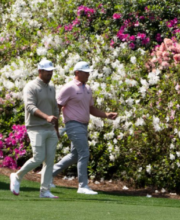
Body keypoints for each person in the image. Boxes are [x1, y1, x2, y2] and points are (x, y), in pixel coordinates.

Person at [51, 61, 118, 195]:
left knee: (75, 155)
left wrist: (106, 115)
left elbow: (91, 108)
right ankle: (82, 186)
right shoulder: (69, 87)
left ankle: (48, 174)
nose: (88, 74)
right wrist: (55, 126)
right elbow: (58, 106)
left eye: (88, 72)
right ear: (77, 73)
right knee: (84, 153)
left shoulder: (87, 89)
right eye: (85, 72)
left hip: (83, 125)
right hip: (73, 124)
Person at [10, 59, 60, 198]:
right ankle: (17, 176)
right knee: (38, 157)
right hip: (35, 127)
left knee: (49, 160)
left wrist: (56, 128)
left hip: (50, 129)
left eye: (51, 71)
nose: (50, 73)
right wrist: (46, 117)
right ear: (40, 71)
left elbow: (55, 109)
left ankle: (44, 191)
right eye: (47, 71)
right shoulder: (30, 86)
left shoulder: (51, 87)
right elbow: (30, 107)